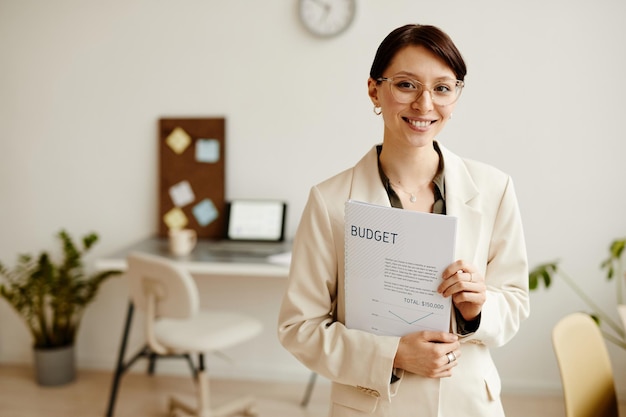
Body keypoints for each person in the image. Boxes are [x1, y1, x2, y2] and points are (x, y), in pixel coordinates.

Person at [277, 24, 529, 417]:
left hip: (468, 404)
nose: (425, 105)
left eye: (443, 88)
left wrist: (477, 310)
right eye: (407, 85)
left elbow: (514, 301)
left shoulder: (494, 189)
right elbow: (300, 328)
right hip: (373, 406)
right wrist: (392, 355)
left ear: (456, 96)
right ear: (374, 90)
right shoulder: (329, 202)